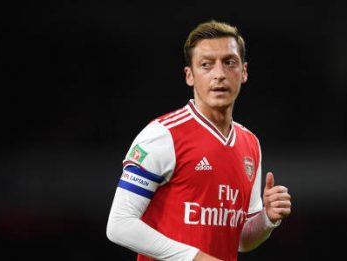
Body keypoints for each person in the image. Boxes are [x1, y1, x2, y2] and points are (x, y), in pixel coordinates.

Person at [106, 20, 292, 261]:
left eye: (229, 62)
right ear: (190, 76)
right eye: (206, 65)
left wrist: (267, 219)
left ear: (243, 71)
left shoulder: (250, 144)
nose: (219, 74)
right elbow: (119, 225)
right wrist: (195, 258)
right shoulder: (162, 135)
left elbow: (241, 240)